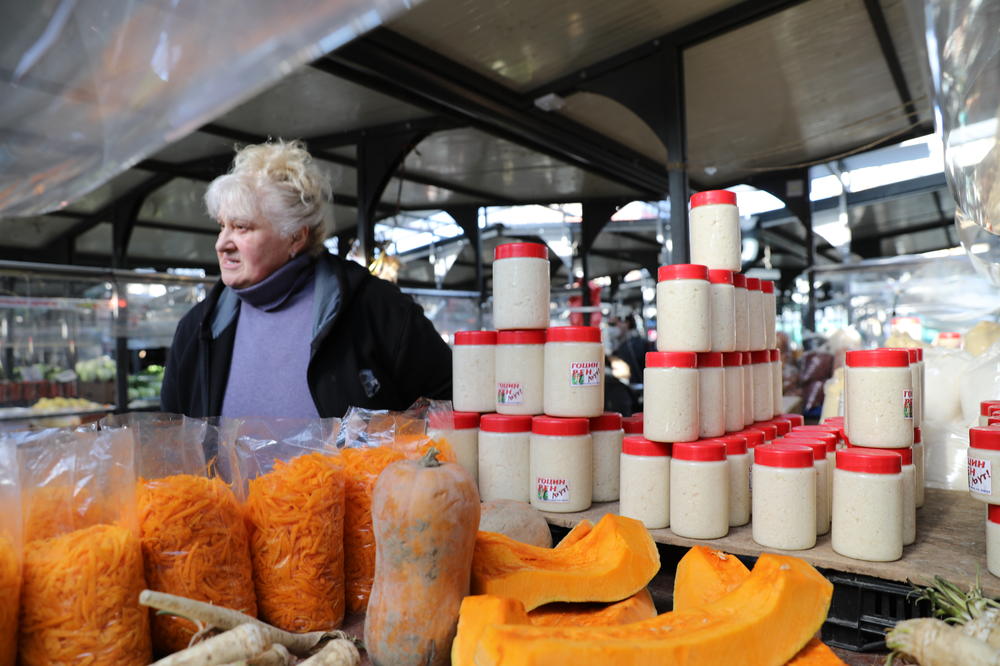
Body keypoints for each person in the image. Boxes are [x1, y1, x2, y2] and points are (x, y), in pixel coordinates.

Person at [160, 140, 453, 418]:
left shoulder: (378, 311)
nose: (222, 243)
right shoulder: (197, 329)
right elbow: (171, 441)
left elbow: (450, 405)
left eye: (242, 227)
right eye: (222, 226)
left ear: (295, 237)